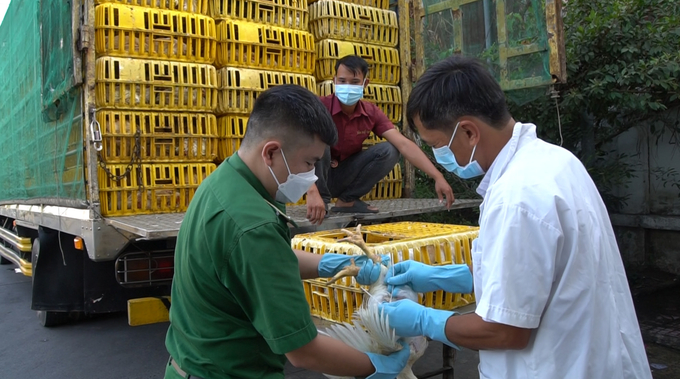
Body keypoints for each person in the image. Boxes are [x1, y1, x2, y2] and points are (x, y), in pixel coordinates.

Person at [378, 56, 653, 379]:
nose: (441, 158)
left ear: (468, 131)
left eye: (438, 146)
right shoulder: (555, 161)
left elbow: (505, 331)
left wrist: (425, 320)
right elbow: (529, 271)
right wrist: (443, 276)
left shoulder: (516, 197)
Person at [164, 85, 410, 379]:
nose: (312, 175)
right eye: (308, 163)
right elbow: (304, 351)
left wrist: (339, 264)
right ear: (271, 152)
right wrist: (378, 366)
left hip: (189, 365)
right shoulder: (253, 226)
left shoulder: (225, 182)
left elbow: (267, 259)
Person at [304, 55, 454, 224]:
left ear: (365, 83)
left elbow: (403, 144)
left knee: (390, 150)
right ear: (334, 81)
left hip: (344, 176)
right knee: (317, 142)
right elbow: (298, 150)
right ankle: (320, 202)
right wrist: (311, 190)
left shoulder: (370, 112)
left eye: (354, 82)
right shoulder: (320, 107)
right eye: (342, 81)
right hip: (313, 177)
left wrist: (437, 176)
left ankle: (347, 200)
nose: (347, 86)